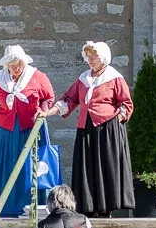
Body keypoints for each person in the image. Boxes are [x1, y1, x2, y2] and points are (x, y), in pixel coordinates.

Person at [40, 41, 134, 218]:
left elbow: (126, 104)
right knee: (87, 166)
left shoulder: (115, 78)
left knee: (106, 166)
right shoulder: (83, 79)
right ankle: (89, 206)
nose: (90, 59)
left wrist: (117, 121)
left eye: (94, 56)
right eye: (88, 56)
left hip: (107, 129)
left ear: (103, 57)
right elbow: (68, 99)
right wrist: (47, 113)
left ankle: (107, 207)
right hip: (86, 128)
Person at [0, 45, 56, 218]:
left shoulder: (38, 76)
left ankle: (32, 208)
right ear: (6, 65)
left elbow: (48, 97)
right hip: (5, 132)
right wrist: (5, 111)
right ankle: (1, 208)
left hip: (31, 129)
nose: (16, 68)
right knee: (4, 166)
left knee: (30, 168)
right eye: (13, 65)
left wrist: (42, 111)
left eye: (19, 64)